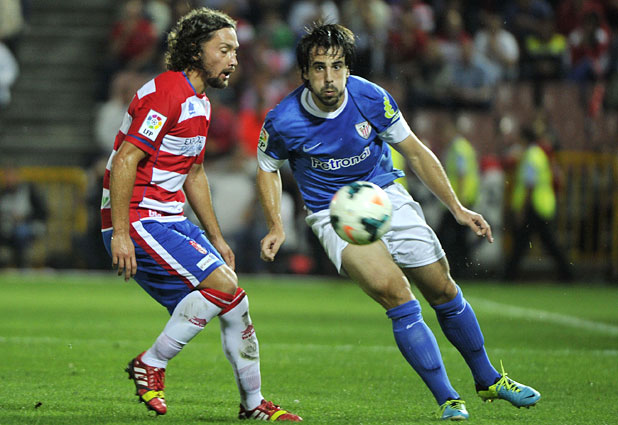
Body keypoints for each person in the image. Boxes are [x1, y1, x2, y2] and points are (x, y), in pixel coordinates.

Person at [256, 23, 541, 421]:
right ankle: (448, 399)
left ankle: (488, 379)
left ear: (348, 68)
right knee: (397, 294)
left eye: (337, 66)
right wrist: (276, 225)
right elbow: (267, 167)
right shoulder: (284, 119)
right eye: (318, 68)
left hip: (385, 196)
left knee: (442, 289)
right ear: (304, 72)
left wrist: (457, 208)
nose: (329, 78)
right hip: (333, 212)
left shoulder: (371, 97)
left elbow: (417, 152)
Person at [100, 8, 301, 421]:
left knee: (235, 302)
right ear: (195, 50)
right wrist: (120, 233)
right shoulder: (167, 93)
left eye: (236, 51)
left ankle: (253, 404)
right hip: (138, 217)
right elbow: (125, 160)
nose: (233, 60)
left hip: (169, 218)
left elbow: (193, 173)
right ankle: (151, 363)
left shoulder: (201, 103)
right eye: (223, 50)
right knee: (223, 286)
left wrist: (216, 237)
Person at [503, 126, 573, 281]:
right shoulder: (538, 154)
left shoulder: (531, 156)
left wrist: (522, 209)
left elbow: (530, 184)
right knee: (543, 243)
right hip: (541, 205)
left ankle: (509, 276)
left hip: (534, 206)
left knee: (522, 243)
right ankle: (567, 274)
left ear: (524, 139)